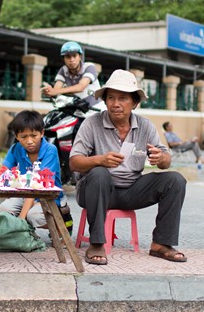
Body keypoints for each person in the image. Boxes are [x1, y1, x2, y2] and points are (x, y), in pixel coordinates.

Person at [69, 69, 187, 265]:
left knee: (175, 180)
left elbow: (166, 161)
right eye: (111, 98)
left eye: (123, 98)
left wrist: (161, 158)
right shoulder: (91, 124)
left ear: (135, 103)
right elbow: (74, 162)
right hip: (95, 191)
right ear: (105, 101)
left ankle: (161, 244)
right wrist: (100, 160)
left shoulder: (145, 126)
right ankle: (97, 242)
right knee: (99, 173)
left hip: (132, 190)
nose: (116, 104)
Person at [0, 110, 73, 235]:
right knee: (4, 209)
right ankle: (24, 226)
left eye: (33, 135)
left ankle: (61, 223)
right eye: (24, 137)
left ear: (42, 133)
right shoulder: (15, 149)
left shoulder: (50, 150)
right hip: (25, 194)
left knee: (34, 216)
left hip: (46, 196)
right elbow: (0, 176)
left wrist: (21, 218)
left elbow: (36, 185)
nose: (29, 141)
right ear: (16, 136)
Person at [41, 41, 101, 107]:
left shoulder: (89, 67)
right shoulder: (63, 70)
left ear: (80, 57)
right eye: (68, 57)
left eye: (74, 56)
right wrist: (49, 91)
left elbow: (80, 87)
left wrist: (56, 91)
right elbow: (57, 89)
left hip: (96, 107)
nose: (71, 60)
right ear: (63, 59)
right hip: (78, 109)